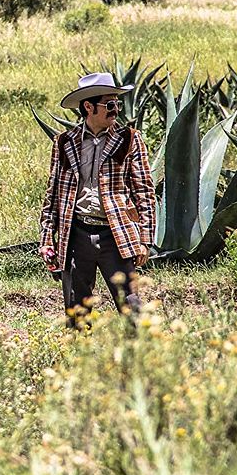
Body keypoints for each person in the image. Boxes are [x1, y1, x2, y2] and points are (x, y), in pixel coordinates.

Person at [38, 72, 156, 321]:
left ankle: (140, 356)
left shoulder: (129, 140)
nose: (115, 110)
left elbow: (144, 191)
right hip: (77, 233)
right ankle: (79, 356)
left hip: (115, 234)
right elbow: (53, 193)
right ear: (89, 107)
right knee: (77, 308)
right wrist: (47, 238)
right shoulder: (65, 143)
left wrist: (145, 239)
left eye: (117, 104)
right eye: (109, 105)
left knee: (132, 304)